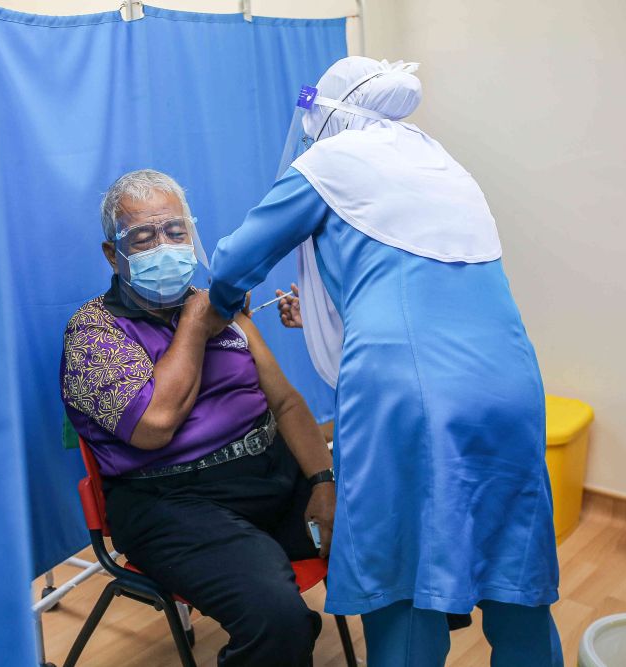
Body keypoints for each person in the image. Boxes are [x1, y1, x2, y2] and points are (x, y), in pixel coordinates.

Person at [204, 57, 562, 666]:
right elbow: (409, 280)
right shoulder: (440, 163)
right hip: (511, 381)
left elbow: (235, 261)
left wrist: (221, 306)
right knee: (512, 562)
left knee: (403, 566)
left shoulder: (329, 164)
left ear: (326, 118)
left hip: (407, 389)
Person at [59, 169, 337, 667]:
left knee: (395, 532)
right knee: (277, 619)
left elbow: (288, 404)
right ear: (112, 255)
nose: (164, 245)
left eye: (175, 231)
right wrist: (193, 323)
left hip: (271, 478)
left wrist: (322, 480)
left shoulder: (223, 310)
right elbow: (154, 425)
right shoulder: (93, 332)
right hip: (174, 503)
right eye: (143, 237)